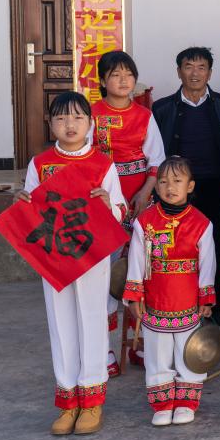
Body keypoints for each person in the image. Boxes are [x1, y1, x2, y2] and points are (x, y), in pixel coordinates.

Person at [15, 91, 126, 436]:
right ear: (51, 124)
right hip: (54, 255)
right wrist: (22, 203)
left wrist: (108, 204)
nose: (70, 125)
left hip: (91, 256)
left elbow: (121, 211)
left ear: (90, 123)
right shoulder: (40, 164)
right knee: (60, 324)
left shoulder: (102, 163)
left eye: (78, 117)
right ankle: (68, 401)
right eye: (61, 118)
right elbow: (31, 207)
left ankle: (92, 400)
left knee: (92, 321)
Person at [122, 156, 215, 426]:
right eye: (162, 182)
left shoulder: (201, 223)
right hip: (155, 300)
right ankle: (162, 404)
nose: (169, 187)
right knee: (156, 354)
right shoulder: (144, 222)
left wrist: (206, 297)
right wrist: (134, 296)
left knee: (188, 352)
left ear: (190, 186)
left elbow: (207, 264)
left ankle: (186, 402)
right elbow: (136, 261)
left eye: (177, 181)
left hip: (187, 300)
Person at [152, 47, 220, 326]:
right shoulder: (162, 108)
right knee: (180, 247)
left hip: (218, 185)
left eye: (201, 67)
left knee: (216, 245)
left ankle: (215, 306)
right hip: (177, 191)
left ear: (210, 73)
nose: (195, 73)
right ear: (179, 72)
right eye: (188, 67)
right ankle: (184, 305)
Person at [92, 50, 166, 373]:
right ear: (102, 80)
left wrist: (146, 192)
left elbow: (156, 159)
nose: (123, 80)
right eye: (115, 74)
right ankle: (105, 351)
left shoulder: (145, 116)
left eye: (128, 74)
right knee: (106, 277)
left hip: (141, 202)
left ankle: (140, 343)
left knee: (142, 272)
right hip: (103, 203)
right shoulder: (91, 114)